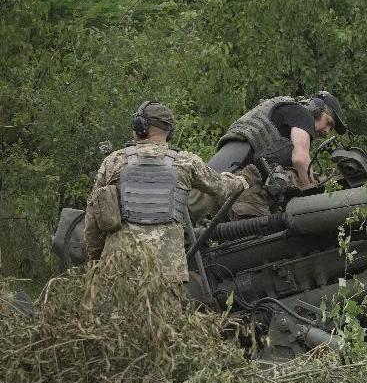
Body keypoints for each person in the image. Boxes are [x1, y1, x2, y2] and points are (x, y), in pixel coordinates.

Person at [84, 101, 258, 289]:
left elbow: (93, 217)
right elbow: (224, 188)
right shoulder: (186, 162)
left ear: (140, 127)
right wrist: (244, 180)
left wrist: (95, 261)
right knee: (166, 319)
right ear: (169, 132)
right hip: (167, 270)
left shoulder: (113, 162)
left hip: (119, 267)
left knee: (121, 319)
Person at [209, 91, 348, 219]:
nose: (327, 131)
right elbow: (300, 159)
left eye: (331, 128)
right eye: (328, 122)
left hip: (222, 191)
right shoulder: (303, 114)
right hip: (247, 195)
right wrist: (314, 201)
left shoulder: (281, 114)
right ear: (315, 109)